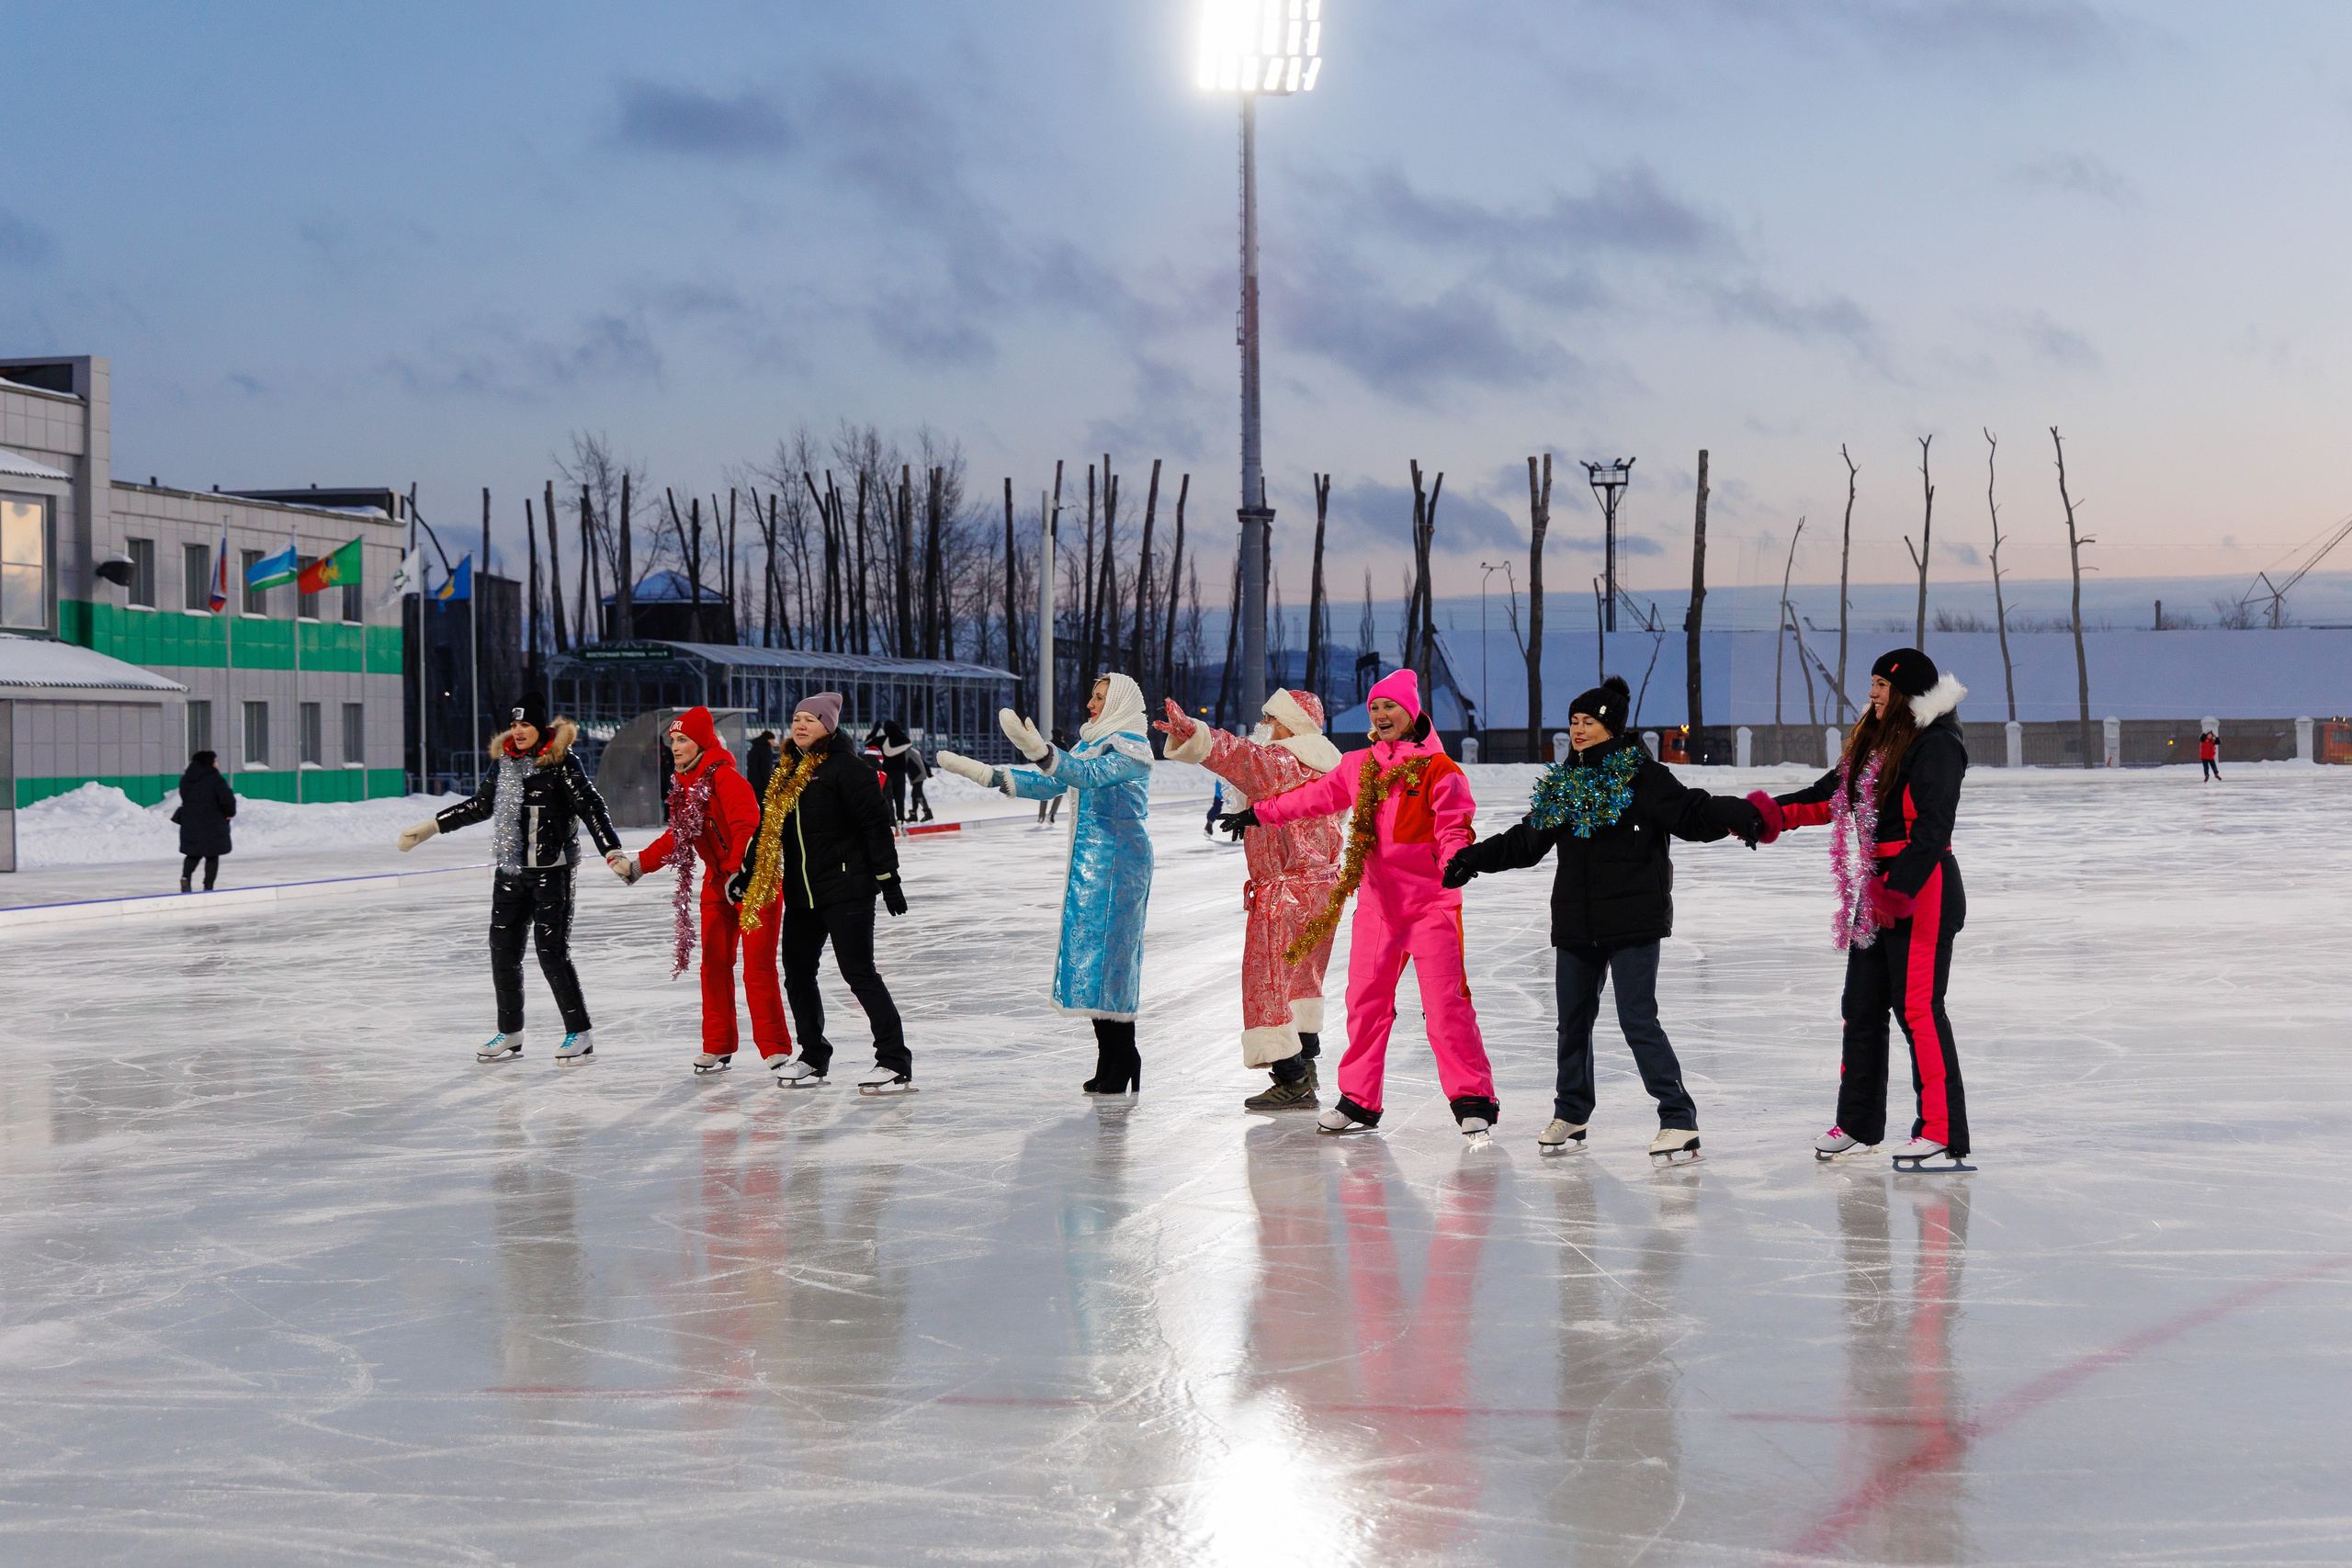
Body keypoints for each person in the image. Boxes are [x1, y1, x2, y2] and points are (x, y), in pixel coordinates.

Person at [1443, 676, 1758, 1163]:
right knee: (1572, 1023)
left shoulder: (1643, 778)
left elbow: (1690, 813)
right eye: (1573, 722)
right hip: (1576, 920)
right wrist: (1472, 858)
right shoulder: (1566, 785)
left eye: (1588, 722)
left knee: (1638, 1019)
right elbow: (1527, 840)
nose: (1578, 730)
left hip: (1633, 918)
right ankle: (1571, 1113)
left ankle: (1678, 1118)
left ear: (1610, 725)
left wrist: (1737, 812)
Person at [1225, 669, 1499, 1142]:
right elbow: (1312, 798)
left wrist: (1457, 859)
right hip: (1377, 907)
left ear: (1410, 712)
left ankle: (1472, 1098)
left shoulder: (1441, 771)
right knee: (1365, 1004)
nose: (1380, 714)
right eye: (1374, 707)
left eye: (1389, 706)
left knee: (1444, 1005)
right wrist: (1260, 813)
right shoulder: (1358, 765)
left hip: (1430, 906)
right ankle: (1358, 1099)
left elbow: (1455, 825)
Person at [1746, 648, 1973, 1171]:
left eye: (1879, 685)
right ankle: (1858, 1122)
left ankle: (1940, 1131)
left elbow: (1933, 831)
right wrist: (1767, 814)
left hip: (1922, 888)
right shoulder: (1878, 742)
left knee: (1918, 1010)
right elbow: (1831, 797)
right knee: (1862, 1008)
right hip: (1877, 891)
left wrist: (1899, 889)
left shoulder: (1937, 744)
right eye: (1871, 683)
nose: (1870, 693)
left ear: (1905, 692)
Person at [936, 674, 1155, 1094]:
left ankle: (1123, 1055)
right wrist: (984, 773)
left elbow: (1088, 776)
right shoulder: (1091, 743)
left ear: (1121, 703)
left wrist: (1040, 750)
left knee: (1112, 963)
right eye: (1092, 694)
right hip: (1090, 867)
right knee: (1092, 961)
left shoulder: (1131, 747)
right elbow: (1053, 781)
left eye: (1101, 697)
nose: (1091, 703)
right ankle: (1111, 1057)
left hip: (1120, 866)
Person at [397, 694, 628, 1064]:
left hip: (552, 872)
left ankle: (578, 1032)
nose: (518, 732)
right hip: (510, 872)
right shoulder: (505, 763)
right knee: (502, 951)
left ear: (541, 729)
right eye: (514, 725)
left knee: (551, 953)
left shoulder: (562, 763)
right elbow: (480, 805)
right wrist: (432, 827)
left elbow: (591, 806)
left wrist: (611, 851)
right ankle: (510, 1031)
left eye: (526, 725)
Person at [1158, 689, 1345, 1111]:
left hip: (1286, 890)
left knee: (1269, 981)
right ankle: (1307, 1065)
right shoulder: (1328, 763)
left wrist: (1198, 735)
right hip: (1323, 888)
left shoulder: (1285, 759)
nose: (1264, 725)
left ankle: (1291, 1078)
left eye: (1270, 718)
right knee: (1301, 980)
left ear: (1288, 724)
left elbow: (1243, 758)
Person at [734, 692, 915, 1093]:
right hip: (803, 893)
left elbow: (875, 826)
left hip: (847, 889)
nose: (801, 725)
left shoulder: (849, 769)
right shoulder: (785, 773)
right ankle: (813, 1055)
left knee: (859, 973)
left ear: (829, 727)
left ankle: (893, 1059)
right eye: (797, 718)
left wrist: (889, 882)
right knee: (797, 975)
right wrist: (747, 872)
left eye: (811, 720)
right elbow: (768, 830)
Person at [610, 706, 788, 1075]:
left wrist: (741, 873)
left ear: (703, 742)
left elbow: (748, 827)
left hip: (755, 881)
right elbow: (678, 836)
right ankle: (718, 1045)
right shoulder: (685, 785)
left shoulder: (726, 779)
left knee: (757, 970)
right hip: (716, 884)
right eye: (673, 740)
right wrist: (638, 865)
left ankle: (774, 1048)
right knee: (714, 967)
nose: (675, 747)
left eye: (683, 740)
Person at [175, 749, 235, 893]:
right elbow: (227, 800)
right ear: (209, 762)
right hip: (212, 822)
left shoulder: (186, 779)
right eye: (215, 761)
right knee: (212, 855)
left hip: (191, 821)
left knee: (193, 853)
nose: (217, 764)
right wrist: (228, 813)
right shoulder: (216, 779)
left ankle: (186, 877)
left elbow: (185, 797)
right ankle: (208, 886)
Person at [868, 718, 916, 824]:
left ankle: (891, 820)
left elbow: (867, 742)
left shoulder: (882, 740)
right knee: (900, 798)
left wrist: (875, 730)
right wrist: (898, 728)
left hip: (888, 773)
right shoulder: (903, 740)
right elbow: (909, 743)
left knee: (888, 798)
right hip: (900, 774)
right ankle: (901, 819)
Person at [747, 729, 779, 801]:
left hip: (753, 783)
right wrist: (769, 784)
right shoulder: (766, 750)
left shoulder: (754, 748)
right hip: (762, 785)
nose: (773, 743)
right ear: (769, 740)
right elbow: (766, 768)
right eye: (773, 741)